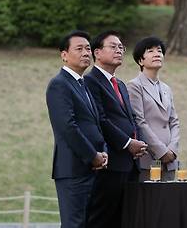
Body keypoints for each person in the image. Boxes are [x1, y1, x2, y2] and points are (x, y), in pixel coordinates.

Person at [85, 31, 147, 228]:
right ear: (97, 52)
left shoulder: (119, 83)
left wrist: (137, 141)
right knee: (102, 219)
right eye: (113, 46)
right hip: (109, 163)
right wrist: (128, 143)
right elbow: (100, 119)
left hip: (130, 164)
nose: (119, 50)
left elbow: (130, 119)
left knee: (125, 219)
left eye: (121, 47)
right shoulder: (90, 81)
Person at [46, 31, 107, 228]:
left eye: (88, 48)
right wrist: (92, 156)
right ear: (64, 54)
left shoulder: (83, 84)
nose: (85, 53)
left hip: (94, 169)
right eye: (79, 49)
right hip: (73, 170)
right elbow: (67, 127)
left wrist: (103, 152)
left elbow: (95, 124)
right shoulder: (59, 85)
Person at [127, 36, 180, 182]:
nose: (157, 54)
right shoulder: (134, 86)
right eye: (150, 51)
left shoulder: (166, 88)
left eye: (159, 51)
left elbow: (174, 122)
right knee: (149, 203)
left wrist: (172, 150)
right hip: (148, 159)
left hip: (170, 161)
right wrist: (162, 152)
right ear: (140, 61)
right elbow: (139, 122)